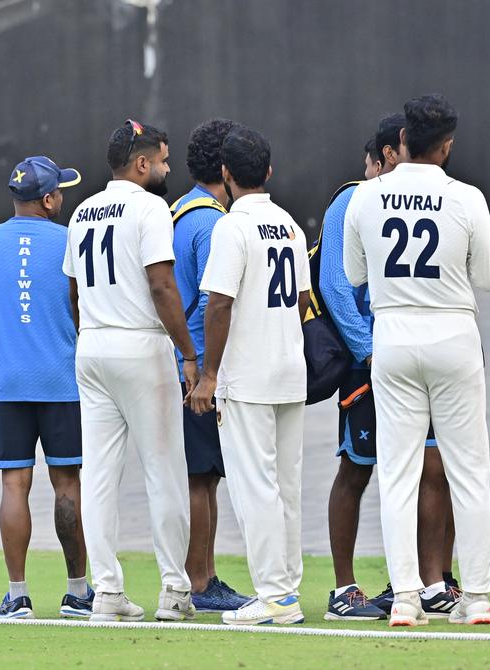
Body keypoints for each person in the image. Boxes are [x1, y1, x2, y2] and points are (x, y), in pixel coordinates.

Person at [342, 94, 490, 627]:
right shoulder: (467, 197)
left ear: (403, 141)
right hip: (454, 333)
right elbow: (489, 278)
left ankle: (406, 598)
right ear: (448, 146)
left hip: (393, 336)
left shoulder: (367, 196)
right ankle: (476, 597)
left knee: (400, 473)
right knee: (468, 472)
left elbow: (355, 273)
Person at [318, 115, 457, 622]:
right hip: (372, 361)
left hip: (421, 354)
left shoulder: (440, 196)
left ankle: (432, 581)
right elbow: (335, 286)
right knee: (358, 467)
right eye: (402, 152)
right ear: (382, 158)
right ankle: (343, 590)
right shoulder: (350, 201)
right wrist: (371, 352)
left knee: (437, 467)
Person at [64, 119, 196, 622]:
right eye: (162, 159)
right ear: (142, 163)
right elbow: (162, 285)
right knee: (164, 470)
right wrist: (188, 353)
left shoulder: (81, 212)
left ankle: (106, 593)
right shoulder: (149, 206)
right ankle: (174, 592)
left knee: (97, 476)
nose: (166, 168)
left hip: (92, 346)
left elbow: (73, 292)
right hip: (140, 346)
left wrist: (88, 335)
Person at [188, 125, 309, 626]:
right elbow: (302, 299)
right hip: (289, 368)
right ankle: (288, 590)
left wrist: (210, 374)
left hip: (249, 376)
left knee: (255, 485)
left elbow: (218, 303)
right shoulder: (291, 225)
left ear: (225, 174)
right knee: (287, 485)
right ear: (270, 172)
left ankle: (275, 596)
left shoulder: (231, 228)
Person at [0, 155, 92, 620]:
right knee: (68, 485)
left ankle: (17, 595)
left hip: (5, 384)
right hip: (63, 382)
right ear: (48, 199)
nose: (63, 197)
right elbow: (82, 309)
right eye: (60, 191)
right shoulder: (71, 241)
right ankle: (78, 592)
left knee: (13, 485)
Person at [168, 118, 250, 614]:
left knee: (203, 476)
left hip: (179, 362)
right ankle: (200, 581)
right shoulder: (215, 222)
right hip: (196, 370)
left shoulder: (180, 210)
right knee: (202, 477)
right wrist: (200, 366)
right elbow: (211, 302)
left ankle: (203, 575)